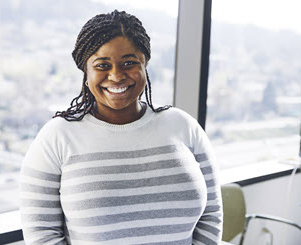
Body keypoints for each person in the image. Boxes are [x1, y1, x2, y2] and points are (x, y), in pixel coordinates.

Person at [19, 10, 222, 245]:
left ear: (145, 64)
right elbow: (42, 235)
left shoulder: (183, 126)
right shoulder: (56, 137)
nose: (116, 75)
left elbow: (211, 215)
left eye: (129, 63)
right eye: (102, 65)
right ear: (86, 72)